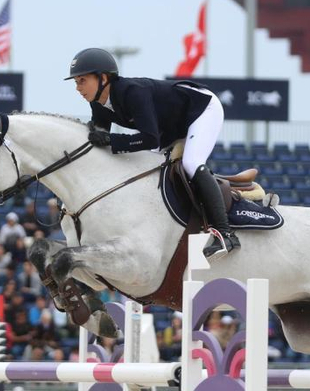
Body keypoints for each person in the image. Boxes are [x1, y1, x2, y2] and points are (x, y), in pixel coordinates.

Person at [66, 47, 238, 259]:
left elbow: (150, 139)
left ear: (103, 78)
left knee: (191, 163)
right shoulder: (98, 104)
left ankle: (225, 234)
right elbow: (100, 145)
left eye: (82, 81)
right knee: (147, 169)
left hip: (201, 109)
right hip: (171, 126)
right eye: (76, 82)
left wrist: (112, 140)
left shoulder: (132, 92)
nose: (78, 88)